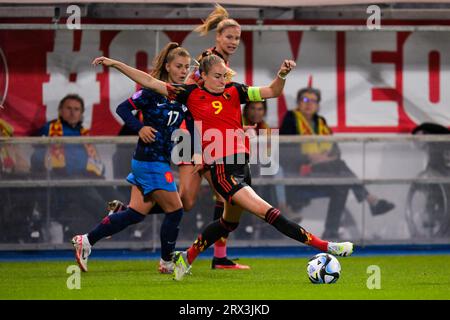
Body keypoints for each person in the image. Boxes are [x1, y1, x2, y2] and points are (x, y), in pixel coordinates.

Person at [91, 52, 354, 282]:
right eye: (217, 76)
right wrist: (116, 64)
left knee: (228, 223)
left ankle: (186, 257)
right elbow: (149, 81)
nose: (222, 80)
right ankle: (326, 245)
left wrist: (282, 75)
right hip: (222, 170)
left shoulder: (236, 90)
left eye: (224, 75)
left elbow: (272, 91)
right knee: (268, 212)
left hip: (242, 165)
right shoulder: (190, 93)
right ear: (202, 76)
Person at [71, 43, 192, 273]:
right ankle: (167, 263)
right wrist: (140, 127)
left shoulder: (183, 95)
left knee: (135, 214)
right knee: (175, 210)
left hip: (154, 160)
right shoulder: (152, 92)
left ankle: (85, 241)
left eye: (186, 67)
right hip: (150, 161)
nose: (183, 70)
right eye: (179, 66)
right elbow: (122, 109)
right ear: (167, 66)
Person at [178, 4, 249, 269]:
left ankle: (219, 257)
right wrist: (194, 143)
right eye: (229, 37)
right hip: (194, 138)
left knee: (223, 196)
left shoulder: (222, 66)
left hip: (207, 140)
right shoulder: (207, 63)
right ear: (218, 37)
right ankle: (134, 210)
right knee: (187, 201)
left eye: (237, 38)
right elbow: (187, 97)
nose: (233, 42)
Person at [280, 86, 395, 239]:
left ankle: (330, 232)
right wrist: (309, 158)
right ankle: (370, 199)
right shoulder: (290, 118)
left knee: (342, 185)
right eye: (305, 100)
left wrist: (324, 159)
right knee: (341, 172)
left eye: (313, 101)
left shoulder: (321, 121)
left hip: (323, 170)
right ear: (298, 102)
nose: (309, 104)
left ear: (318, 105)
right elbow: (286, 150)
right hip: (299, 172)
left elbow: (336, 150)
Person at [31, 94, 126, 241]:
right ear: (60, 110)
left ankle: (125, 232)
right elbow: (36, 158)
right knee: (97, 201)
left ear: (81, 113)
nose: (72, 112)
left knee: (118, 199)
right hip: (64, 181)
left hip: (90, 178)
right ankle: (111, 234)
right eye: (68, 108)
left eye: (76, 109)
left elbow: (98, 163)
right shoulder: (49, 129)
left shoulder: (84, 133)